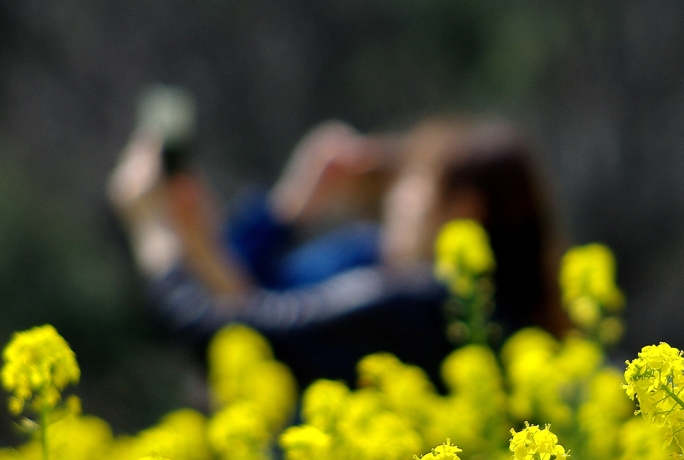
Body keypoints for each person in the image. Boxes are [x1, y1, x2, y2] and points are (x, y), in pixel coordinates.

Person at [108, 88, 565, 386]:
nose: (393, 200)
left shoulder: (418, 308)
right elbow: (259, 301)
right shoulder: (384, 273)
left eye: (413, 182)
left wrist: (153, 234)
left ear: (464, 209)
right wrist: (284, 210)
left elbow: (227, 334)